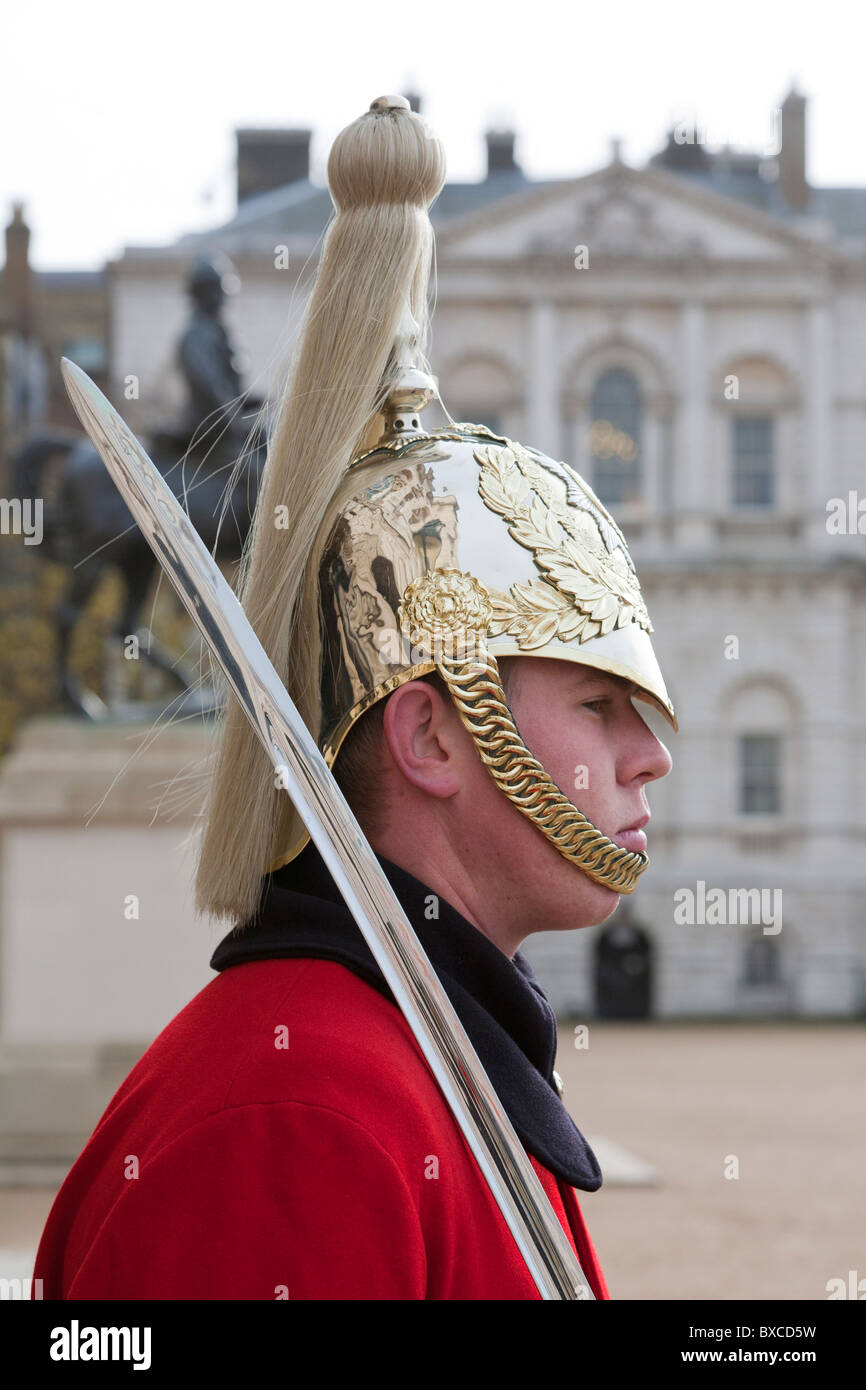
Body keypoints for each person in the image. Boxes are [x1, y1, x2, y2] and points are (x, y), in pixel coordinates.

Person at [33, 95, 676, 1301]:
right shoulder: (297, 1117)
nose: (648, 756)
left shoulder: (428, 1059)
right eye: (597, 705)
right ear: (428, 730)